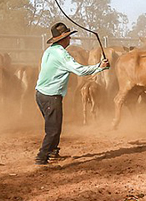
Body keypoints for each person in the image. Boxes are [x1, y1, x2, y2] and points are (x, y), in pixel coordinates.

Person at [34, 22, 109, 165]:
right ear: (63, 38)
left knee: (53, 125)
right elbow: (79, 70)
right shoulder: (62, 54)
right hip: (51, 95)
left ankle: (53, 151)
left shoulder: (49, 51)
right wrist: (99, 67)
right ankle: (41, 157)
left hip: (40, 94)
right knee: (54, 129)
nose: (70, 39)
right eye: (68, 36)